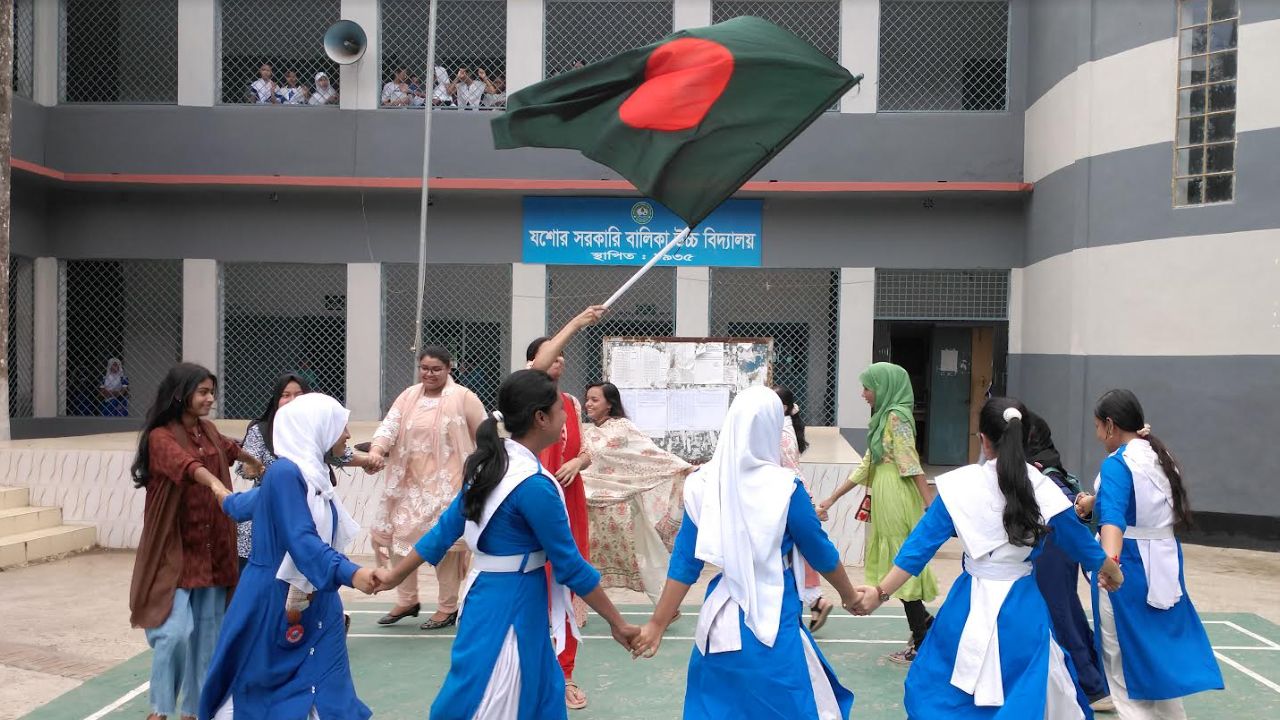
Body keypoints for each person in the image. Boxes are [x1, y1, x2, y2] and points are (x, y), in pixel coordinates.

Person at [374, 370, 641, 720]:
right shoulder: (534, 486)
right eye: (561, 410)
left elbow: (441, 533)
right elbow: (570, 566)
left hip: (490, 595)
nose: (566, 418)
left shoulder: (489, 465)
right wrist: (618, 624)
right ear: (541, 418)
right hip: (512, 605)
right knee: (495, 696)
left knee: (515, 687)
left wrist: (396, 576)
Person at [850, 397, 1125, 719]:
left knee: (944, 690)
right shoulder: (1043, 488)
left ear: (983, 439)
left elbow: (918, 548)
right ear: (1026, 437)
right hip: (1022, 609)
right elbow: (1083, 547)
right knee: (1027, 689)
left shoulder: (958, 486)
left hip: (966, 606)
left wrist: (879, 594)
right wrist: (1112, 572)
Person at [630, 386, 861, 720]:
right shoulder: (786, 488)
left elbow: (685, 563)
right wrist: (851, 596)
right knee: (787, 703)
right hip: (772, 612)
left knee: (718, 704)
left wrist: (656, 624)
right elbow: (820, 551)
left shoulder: (702, 484)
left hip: (721, 615)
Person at [199, 393, 381, 720]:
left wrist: (225, 499)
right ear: (317, 429)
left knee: (331, 694)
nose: (348, 436)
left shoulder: (315, 475)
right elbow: (302, 541)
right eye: (341, 427)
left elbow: (248, 505)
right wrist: (352, 573)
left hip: (319, 605)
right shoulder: (285, 473)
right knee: (262, 698)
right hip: (273, 603)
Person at [127, 363, 265, 720]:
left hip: (214, 548)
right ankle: (160, 709)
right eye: (202, 392)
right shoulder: (161, 436)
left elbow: (228, 449)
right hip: (176, 550)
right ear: (180, 395)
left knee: (207, 641)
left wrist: (255, 462)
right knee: (174, 633)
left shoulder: (208, 429)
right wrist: (217, 485)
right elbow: (187, 465)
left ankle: (194, 711)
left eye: (211, 391)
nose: (210, 398)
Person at [1076, 390, 1222, 719]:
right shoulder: (1159, 455)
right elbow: (1128, 502)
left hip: (1127, 570)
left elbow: (1114, 518)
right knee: (1157, 665)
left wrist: (1110, 564)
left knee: (1122, 670)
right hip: (1166, 570)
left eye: (1099, 427)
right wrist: (1090, 504)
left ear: (1111, 426)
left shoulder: (1117, 464)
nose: (1098, 435)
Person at [817, 362, 938, 663]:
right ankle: (925, 626)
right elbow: (865, 467)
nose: (863, 394)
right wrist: (830, 500)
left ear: (884, 387)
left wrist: (931, 506)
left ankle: (922, 640)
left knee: (902, 559)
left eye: (868, 387)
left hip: (896, 494)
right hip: (886, 493)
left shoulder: (896, 417)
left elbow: (910, 464)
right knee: (896, 561)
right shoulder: (884, 419)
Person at [369, 346, 486, 629]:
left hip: (449, 485)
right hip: (409, 484)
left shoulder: (463, 398)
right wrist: (376, 449)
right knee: (400, 538)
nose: (429, 374)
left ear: (448, 369)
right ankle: (407, 600)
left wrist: (481, 473)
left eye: (436, 369)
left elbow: (485, 435)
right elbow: (389, 427)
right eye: (425, 368)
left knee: (444, 546)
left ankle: (447, 607)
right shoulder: (409, 396)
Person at [528, 305, 608, 710]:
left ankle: (566, 674)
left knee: (567, 587)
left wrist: (579, 461)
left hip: (569, 503)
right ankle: (534, 671)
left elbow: (589, 448)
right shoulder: (522, 397)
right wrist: (575, 322)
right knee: (532, 590)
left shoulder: (573, 402)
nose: (558, 359)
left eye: (562, 354)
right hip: (530, 507)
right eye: (550, 354)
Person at [235, 373, 384, 572]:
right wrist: (253, 467)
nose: (292, 400)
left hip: (305, 516)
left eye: (299, 394)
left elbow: (337, 452)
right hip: (267, 521)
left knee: (309, 571)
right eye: (285, 395)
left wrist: (367, 461)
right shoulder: (261, 431)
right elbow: (246, 468)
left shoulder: (312, 430)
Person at [1024, 409, 1113, 712]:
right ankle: (1096, 679)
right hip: (1054, 548)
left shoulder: (1039, 473)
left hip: (1053, 546)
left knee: (1060, 615)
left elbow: (1065, 512)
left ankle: (1092, 687)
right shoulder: (1041, 464)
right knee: (1067, 613)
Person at [579, 381, 695, 604]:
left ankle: (665, 604)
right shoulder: (592, 431)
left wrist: (683, 466)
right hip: (593, 505)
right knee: (587, 557)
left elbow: (649, 453)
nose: (588, 404)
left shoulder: (623, 428)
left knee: (642, 555)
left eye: (595, 400)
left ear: (609, 404)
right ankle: (577, 607)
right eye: (587, 399)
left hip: (622, 506)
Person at [774, 384, 835, 631]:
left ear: (784, 408)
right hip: (795, 492)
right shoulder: (787, 428)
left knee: (796, 551)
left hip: (788, 495)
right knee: (800, 551)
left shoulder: (780, 434)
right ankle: (815, 601)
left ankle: (814, 600)